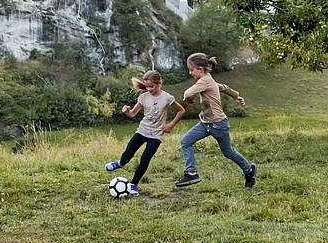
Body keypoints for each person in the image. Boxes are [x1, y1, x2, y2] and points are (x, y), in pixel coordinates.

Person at [175, 53, 257, 189]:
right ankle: (191, 173)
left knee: (228, 152)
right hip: (206, 123)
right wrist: (236, 96)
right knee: (186, 141)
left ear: (200, 69)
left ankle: (249, 170)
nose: (190, 73)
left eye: (191, 70)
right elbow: (223, 87)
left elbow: (187, 93)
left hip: (218, 124)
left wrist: (188, 99)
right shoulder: (208, 79)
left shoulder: (204, 81)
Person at [105, 70, 185, 196]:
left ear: (159, 83)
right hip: (142, 130)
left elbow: (181, 111)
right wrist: (127, 111)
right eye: (146, 86)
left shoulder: (167, 97)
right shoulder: (143, 97)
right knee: (128, 153)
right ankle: (120, 163)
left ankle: (133, 185)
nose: (148, 89)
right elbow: (132, 114)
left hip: (156, 135)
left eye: (151, 86)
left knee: (145, 159)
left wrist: (171, 125)